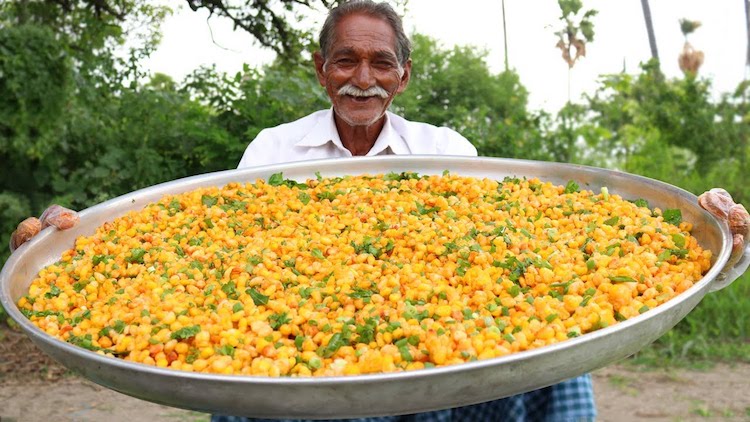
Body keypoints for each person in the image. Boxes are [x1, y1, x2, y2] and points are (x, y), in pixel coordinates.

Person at [9, 1, 749, 421]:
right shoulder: (272, 152)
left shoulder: (445, 150)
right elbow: (198, 255)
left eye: (380, 63)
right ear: (322, 69)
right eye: (345, 62)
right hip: (303, 368)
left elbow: (576, 250)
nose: (362, 80)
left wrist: (718, 234)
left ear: (402, 74)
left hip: (450, 366)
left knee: (558, 375)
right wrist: (70, 245)